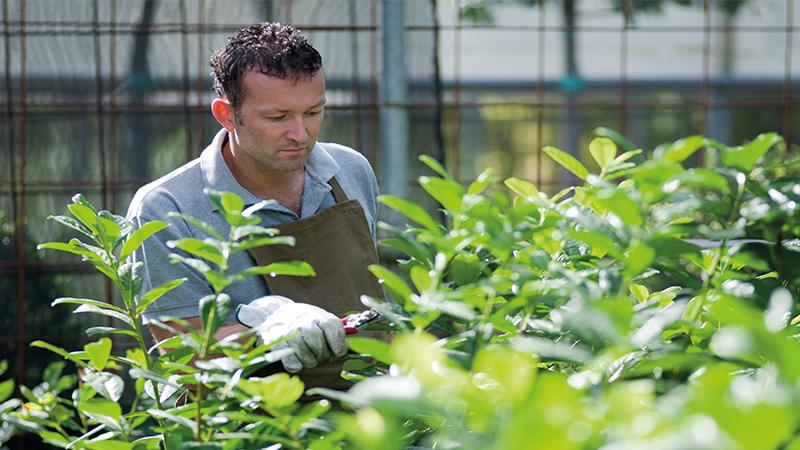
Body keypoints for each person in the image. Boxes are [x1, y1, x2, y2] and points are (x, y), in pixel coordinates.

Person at [126, 22, 383, 390]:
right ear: (226, 114)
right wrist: (265, 336)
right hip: (247, 427)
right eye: (277, 117)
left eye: (313, 112)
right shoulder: (166, 209)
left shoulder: (350, 171)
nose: (300, 134)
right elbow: (184, 361)